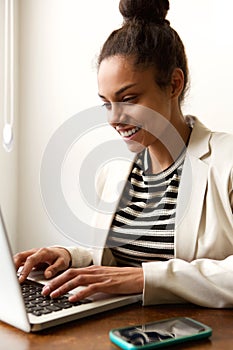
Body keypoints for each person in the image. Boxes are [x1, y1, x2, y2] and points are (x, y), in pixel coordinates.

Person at [14, 0, 233, 308]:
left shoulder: (227, 161)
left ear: (173, 84)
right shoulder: (115, 172)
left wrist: (146, 278)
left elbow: (135, 274)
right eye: (106, 103)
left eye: (128, 99)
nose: (114, 119)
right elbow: (117, 261)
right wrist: (69, 256)